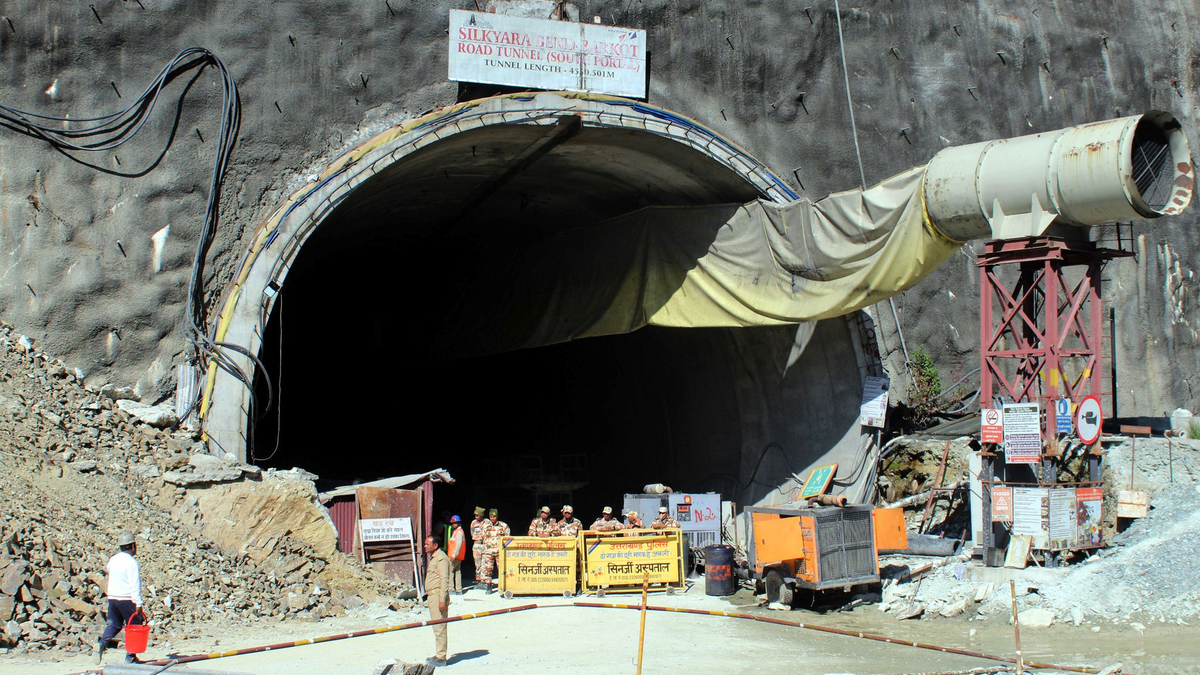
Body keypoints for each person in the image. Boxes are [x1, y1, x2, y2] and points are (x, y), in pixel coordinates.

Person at [97, 531, 145, 665]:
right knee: (134, 626)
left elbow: (109, 571)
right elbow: (135, 584)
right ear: (133, 546)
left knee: (114, 624)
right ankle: (130, 657)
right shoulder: (131, 563)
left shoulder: (113, 560)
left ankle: (102, 644)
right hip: (127, 599)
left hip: (113, 598)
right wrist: (138, 603)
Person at [423, 535, 451, 667]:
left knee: (440, 627)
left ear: (435, 546)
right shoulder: (435, 557)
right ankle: (439, 653)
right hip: (432, 596)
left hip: (437, 596)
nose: (425, 546)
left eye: (427, 544)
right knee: (436, 626)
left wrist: (442, 600)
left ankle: (441, 656)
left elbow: (444, 579)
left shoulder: (441, 559)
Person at [480, 508, 510, 592]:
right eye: (491, 516)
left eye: (494, 516)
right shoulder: (485, 526)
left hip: (499, 552)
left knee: (501, 569)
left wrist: (503, 548)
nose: (492, 518)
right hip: (489, 552)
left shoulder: (503, 526)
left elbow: (508, 538)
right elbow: (482, 537)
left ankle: (502, 586)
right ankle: (489, 586)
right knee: (488, 570)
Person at [447, 515, 466, 594]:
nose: (453, 524)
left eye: (454, 523)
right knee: (457, 571)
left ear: (458, 523)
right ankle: (459, 589)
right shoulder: (457, 531)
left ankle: (451, 589)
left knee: (450, 571)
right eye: (452, 523)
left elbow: (458, 545)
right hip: (458, 556)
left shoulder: (458, 532)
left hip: (455, 556)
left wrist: (454, 555)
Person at [470, 506, 487, 589]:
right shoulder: (473, 523)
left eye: (478, 515)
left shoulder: (487, 522)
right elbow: (472, 533)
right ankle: (478, 580)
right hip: (477, 545)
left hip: (485, 545)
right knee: (478, 564)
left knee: (485, 564)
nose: (476, 517)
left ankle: (484, 581)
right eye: (475, 515)